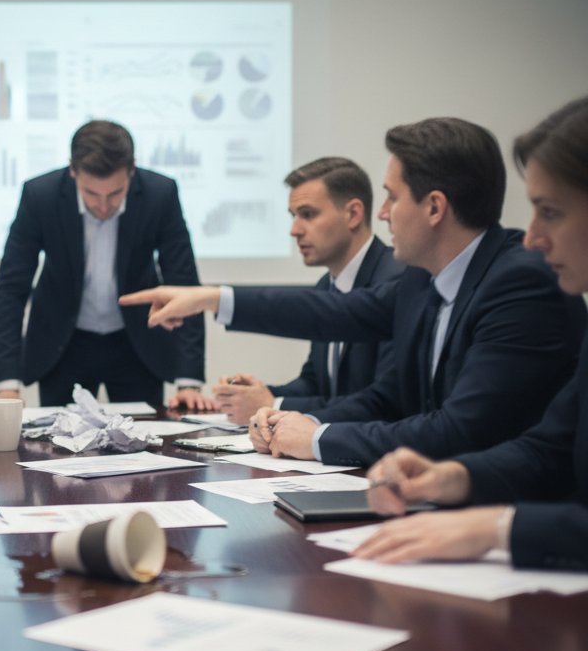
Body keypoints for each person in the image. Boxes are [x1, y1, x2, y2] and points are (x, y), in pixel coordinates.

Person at [121, 117, 586, 467]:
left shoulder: (520, 281)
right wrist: (214, 298)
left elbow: (462, 429)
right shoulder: (424, 278)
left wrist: (317, 438)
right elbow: (338, 322)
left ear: (435, 207)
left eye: (392, 197)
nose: (382, 214)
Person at [356, 97, 588, 569]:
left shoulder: (519, 279)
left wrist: (496, 528)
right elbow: (549, 449)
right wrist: (450, 477)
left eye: (551, 211)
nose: (532, 236)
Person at [0, 119, 207, 410]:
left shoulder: (159, 194)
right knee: (56, 447)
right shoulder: (41, 196)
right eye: (91, 194)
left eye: (115, 194)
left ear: (132, 170)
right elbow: (12, 288)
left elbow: (184, 285)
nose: (103, 206)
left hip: (137, 344)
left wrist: (188, 382)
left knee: (144, 447)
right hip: (62, 344)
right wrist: (7, 385)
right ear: (73, 170)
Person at [213, 156, 401, 424]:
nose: (294, 230)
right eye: (293, 216)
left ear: (353, 214)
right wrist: (258, 394)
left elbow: (382, 402)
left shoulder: (395, 279)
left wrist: (275, 403)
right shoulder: (326, 285)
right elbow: (315, 383)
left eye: (308, 214)